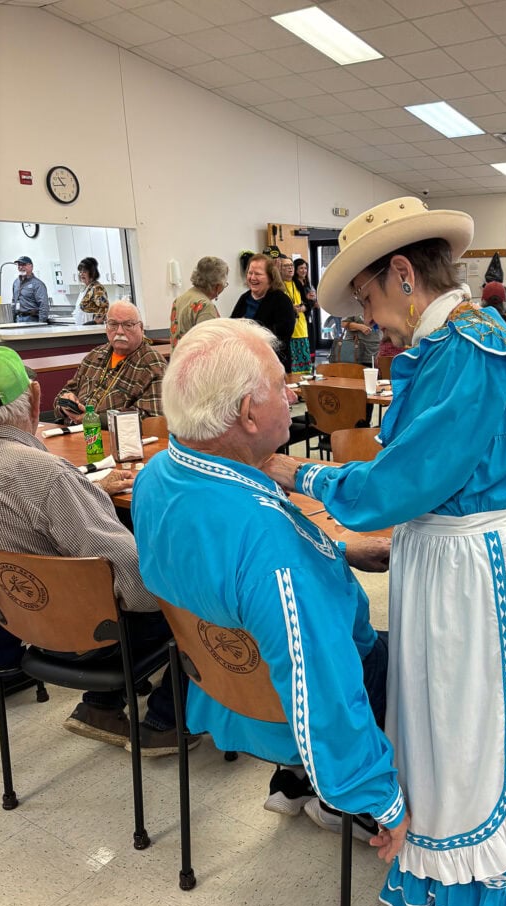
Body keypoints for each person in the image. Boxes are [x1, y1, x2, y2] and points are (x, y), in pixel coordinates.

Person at [264, 196, 506, 906]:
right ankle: (464, 879)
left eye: (367, 299)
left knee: (470, 734)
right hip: (460, 556)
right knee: (449, 725)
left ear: (403, 274)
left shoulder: (466, 350)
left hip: (481, 571)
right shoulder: (451, 346)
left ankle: (474, 893)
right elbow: (430, 479)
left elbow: (404, 481)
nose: (368, 321)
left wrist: (302, 472)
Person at [131, 319, 409, 844]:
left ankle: (293, 781)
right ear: (246, 413)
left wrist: (335, 548)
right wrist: (382, 801)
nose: (292, 394)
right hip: (288, 711)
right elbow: (320, 689)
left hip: (222, 682)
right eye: (282, 384)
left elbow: (226, 572)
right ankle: (336, 798)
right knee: (430, 659)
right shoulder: (268, 539)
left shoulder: (155, 478)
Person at [0, 348, 189, 755]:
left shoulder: (43, 479)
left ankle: (100, 706)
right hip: (89, 637)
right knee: (189, 591)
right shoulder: (44, 475)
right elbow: (136, 582)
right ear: (35, 398)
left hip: (25, 628)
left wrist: (88, 494)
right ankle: (165, 720)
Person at [54, 301, 166, 424]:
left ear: (141, 328)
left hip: (112, 437)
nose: (119, 331)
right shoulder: (94, 355)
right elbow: (62, 395)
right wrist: (65, 404)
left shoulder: (153, 365)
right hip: (72, 432)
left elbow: (151, 418)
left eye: (128, 325)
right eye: (113, 324)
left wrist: (94, 420)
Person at [230, 254, 295, 373]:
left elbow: (283, 334)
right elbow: (232, 326)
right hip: (246, 365)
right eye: (250, 273)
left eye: (258, 274)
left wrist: (250, 333)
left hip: (272, 365)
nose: (252, 278)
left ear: (270, 277)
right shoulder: (244, 298)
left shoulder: (281, 300)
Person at [169, 256, 228, 346]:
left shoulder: (179, 300)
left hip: (178, 358)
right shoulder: (205, 306)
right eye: (225, 284)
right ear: (218, 286)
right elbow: (209, 345)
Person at [278, 255, 312, 373]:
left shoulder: (297, 283)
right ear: (279, 268)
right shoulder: (278, 286)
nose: (290, 268)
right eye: (286, 266)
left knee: (305, 369)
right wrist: (290, 308)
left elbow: (308, 304)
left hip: (301, 327)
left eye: (291, 265)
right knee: (291, 369)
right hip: (288, 331)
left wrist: (302, 308)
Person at [73, 257, 109, 325]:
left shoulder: (97, 288)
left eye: (84, 271)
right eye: (80, 272)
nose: (81, 274)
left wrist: (94, 322)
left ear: (92, 273)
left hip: (91, 329)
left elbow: (104, 308)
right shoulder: (86, 289)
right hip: (83, 328)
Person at [12, 257, 49, 323]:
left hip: (32, 319)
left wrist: (41, 324)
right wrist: (12, 320)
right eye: (19, 265)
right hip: (18, 319)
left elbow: (43, 305)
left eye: (23, 265)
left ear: (31, 266)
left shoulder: (37, 284)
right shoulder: (16, 283)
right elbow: (13, 301)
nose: (20, 267)